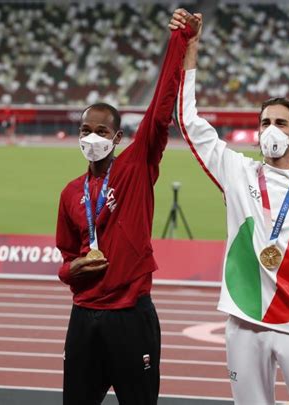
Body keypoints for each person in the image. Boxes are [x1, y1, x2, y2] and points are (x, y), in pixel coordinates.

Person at [170, 11, 289, 405]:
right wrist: (191, 49)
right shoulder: (237, 172)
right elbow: (189, 121)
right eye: (265, 122)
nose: (272, 130)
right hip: (244, 321)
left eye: (282, 123)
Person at [56, 11, 199, 405]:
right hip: (83, 316)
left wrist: (180, 42)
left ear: (117, 137)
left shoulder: (137, 167)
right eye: (85, 130)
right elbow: (67, 257)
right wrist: (72, 269)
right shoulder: (70, 193)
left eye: (101, 131)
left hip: (130, 315)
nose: (92, 138)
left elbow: (160, 108)